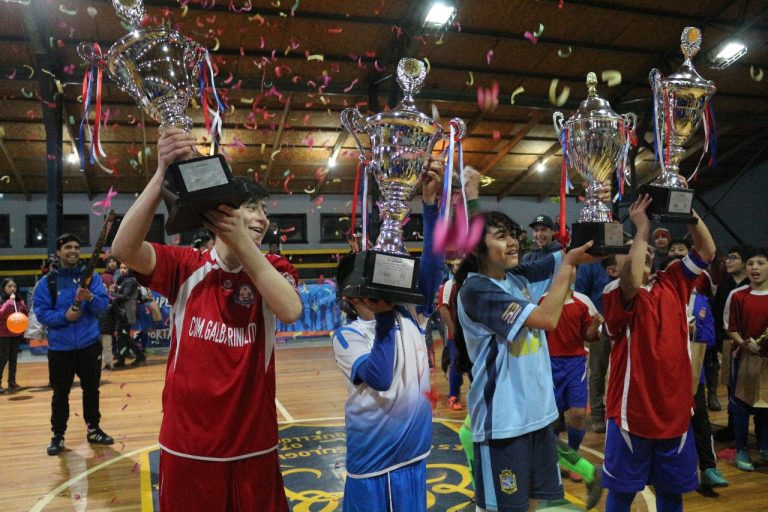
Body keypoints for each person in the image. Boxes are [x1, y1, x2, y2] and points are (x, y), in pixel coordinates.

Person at [111, 127, 302, 512]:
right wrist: (161, 171)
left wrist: (242, 242)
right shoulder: (185, 266)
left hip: (253, 445)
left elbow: (290, 309)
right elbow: (123, 248)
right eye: (251, 207)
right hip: (188, 444)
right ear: (221, 212)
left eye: (264, 210)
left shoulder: (274, 268)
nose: (262, 219)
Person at [456, 210, 598, 512]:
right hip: (503, 424)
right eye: (501, 236)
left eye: (512, 234)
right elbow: (546, 319)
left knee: (533, 504)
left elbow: (564, 257)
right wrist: (570, 265)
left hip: (539, 417)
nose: (513, 242)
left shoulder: (517, 277)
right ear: (476, 247)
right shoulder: (476, 289)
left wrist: (596, 236)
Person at [331, 158, 443, 512]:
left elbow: (434, 263)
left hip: (413, 455)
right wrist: (381, 319)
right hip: (374, 463)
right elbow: (379, 378)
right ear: (350, 293)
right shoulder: (347, 337)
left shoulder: (410, 314)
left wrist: (429, 205)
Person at [601, 193, 715, 512]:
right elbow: (633, 280)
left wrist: (686, 210)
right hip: (631, 413)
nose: (645, 249)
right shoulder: (615, 293)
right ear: (614, 268)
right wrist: (641, 229)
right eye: (633, 251)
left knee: (671, 491)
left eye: (647, 247)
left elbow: (707, 251)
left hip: (675, 410)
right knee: (623, 492)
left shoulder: (674, 280)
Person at [33, 233, 113, 456]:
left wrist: (89, 298)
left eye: (76, 247)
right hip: (60, 349)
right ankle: (58, 436)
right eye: (67, 247)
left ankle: (93, 429)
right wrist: (65, 316)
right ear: (58, 252)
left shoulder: (91, 278)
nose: (73, 251)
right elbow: (41, 313)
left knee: (91, 391)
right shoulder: (46, 282)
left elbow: (103, 306)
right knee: (60, 395)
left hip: (89, 345)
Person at [539, 287, 602, 482]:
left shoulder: (583, 301)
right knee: (552, 417)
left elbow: (590, 336)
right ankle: (553, 459)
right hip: (549, 363)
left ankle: (573, 458)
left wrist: (595, 325)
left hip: (575, 364)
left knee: (578, 413)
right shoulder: (542, 299)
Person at [724, 246, 768, 471]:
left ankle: (765, 446)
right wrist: (743, 343)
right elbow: (729, 327)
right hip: (743, 358)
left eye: (760, 263)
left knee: (766, 405)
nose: (755, 268)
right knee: (741, 405)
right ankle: (742, 448)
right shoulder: (737, 295)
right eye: (751, 263)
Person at [575, 255, 618, 433]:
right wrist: (593, 321)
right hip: (601, 324)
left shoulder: (624, 256)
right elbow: (581, 293)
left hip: (626, 324)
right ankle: (598, 415)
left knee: (626, 370)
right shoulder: (590, 264)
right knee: (598, 370)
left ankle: (618, 412)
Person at [711, 245, 751, 424]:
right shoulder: (724, 285)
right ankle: (732, 426)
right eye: (728, 258)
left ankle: (758, 431)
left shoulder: (753, 285)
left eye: (733, 258)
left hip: (751, 345)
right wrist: (719, 342)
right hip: (728, 343)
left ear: (745, 262)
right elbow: (717, 314)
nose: (728, 261)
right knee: (730, 385)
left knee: (752, 386)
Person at [112, 263, 145, 367]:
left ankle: (138, 357)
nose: (122, 270)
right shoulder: (123, 281)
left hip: (126, 313)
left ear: (130, 269)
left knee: (124, 338)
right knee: (123, 337)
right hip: (122, 313)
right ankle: (124, 359)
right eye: (121, 268)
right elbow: (139, 298)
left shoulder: (130, 281)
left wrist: (111, 294)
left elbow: (125, 296)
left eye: (125, 268)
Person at [0, 278, 29, 392]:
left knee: (13, 359)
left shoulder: (20, 301)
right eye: (9, 286)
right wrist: (9, 303)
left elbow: (24, 315)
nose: (13, 289)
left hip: (16, 334)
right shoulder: (2, 301)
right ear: (3, 288)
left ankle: (12, 382)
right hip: (3, 335)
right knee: (3, 359)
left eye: (15, 287)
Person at [99, 256, 119, 370]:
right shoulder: (103, 277)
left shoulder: (119, 275)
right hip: (105, 316)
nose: (112, 263)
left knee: (110, 342)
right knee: (105, 342)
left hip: (115, 314)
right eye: (109, 261)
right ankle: (108, 361)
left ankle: (112, 361)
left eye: (114, 260)